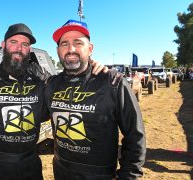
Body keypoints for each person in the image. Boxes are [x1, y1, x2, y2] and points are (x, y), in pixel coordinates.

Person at [0, 23, 107, 180]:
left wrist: (91, 69)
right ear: (3, 45)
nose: (19, 48)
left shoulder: (40, 77)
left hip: (30, 163)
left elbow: (67, 83)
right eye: (13, 42)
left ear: (29, 50)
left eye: (25, 45)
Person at [44, 19, 146, 180]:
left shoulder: (113, 82)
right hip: (61, 170)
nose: (71, 49)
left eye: (78, 43)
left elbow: (135, 135)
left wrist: (128, 175)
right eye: (64, 44)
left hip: (99, 175)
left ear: (90, 49)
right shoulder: (51, 84)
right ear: (57, 50)